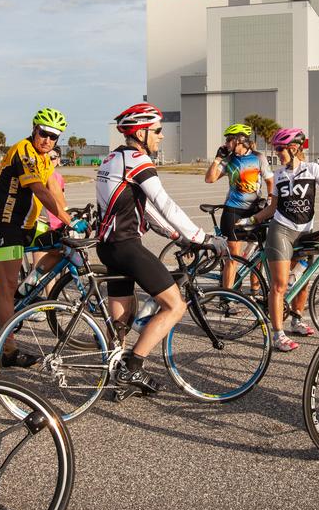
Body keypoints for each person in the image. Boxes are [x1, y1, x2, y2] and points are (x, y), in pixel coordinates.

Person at [95, 103, 228, 395]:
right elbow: (165, 203)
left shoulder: (112, 159)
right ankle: (133, 368)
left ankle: (116, 370)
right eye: (157, 130)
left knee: (122, 318)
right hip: (126, 246)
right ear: (141, 132)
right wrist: (200, 237)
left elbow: (140, 208)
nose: (161, 136)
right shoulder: (138, 161)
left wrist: (175, 235)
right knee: (175, 305)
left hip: (110, 246)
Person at [237, 127, 319, 352]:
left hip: (306, 232)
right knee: (280, 285)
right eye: (276, 148)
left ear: (294, 148)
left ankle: (296, 319)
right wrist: (252, 220)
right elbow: (273, 208)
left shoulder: (312, 169)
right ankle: (277, 334)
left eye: (281, 148)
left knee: (304, 280)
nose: (277, 152)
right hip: (282, 230)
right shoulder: (278, 175)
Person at [0, 109, 77, 365]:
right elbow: (38, 190)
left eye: (54, 137)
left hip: (27, 225)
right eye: (44, 133)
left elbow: (54, 191)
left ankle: (25, 291)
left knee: (59, 248)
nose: (48, 140)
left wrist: (69, 217)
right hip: (6, 226)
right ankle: (9, 352)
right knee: (7, 287)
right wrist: (69, 220)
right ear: (34, 128)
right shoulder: (24, 150)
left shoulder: (45, 158)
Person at [203, 122, 273, 291]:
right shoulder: (229, 160)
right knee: (232, 258)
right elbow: (209, 179)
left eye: (229, 140)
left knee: (258, 253)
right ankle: (228, 297)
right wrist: (218, 159)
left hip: (255, 210)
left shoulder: (258, 157)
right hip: (233, 211)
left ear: (239, 140)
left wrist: (270, 199)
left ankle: (255, 291)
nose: (226, 144)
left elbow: (270, 180)